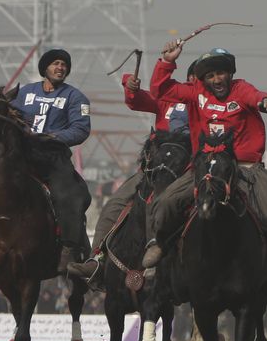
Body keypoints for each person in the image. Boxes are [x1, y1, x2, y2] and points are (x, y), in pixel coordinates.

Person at [141, 43, 267, 268]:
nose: (217, 80)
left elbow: (259, 98)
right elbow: (160, 91)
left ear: (230, 74)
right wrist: (167, 62)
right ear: (203, 79)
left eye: (220, 73)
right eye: (210, 76)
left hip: (245, 167)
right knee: (166, 201)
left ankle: (266, 259)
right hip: (205, 166)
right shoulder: (195, 92)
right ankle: (160, 243)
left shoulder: (242, 89)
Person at [0, 48, 93, 274]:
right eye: (55, 63)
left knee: (69, 194)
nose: (60, 68)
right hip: (19, 155)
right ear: (45, 68)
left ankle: (69, 248)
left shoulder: (76, 97)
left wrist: (54, 136)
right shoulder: (24, 92)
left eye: (64, 65)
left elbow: (81, 130)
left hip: (52, 157)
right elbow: (6, 115)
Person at [67, 62, 194, 280]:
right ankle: (96, 259)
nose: (197, 83)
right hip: (155, 171)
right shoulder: (169, 98)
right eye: (194, 77)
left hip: (191, 172)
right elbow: (136, 101)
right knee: (114, 206)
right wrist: (131, 87)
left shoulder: (213, 105)